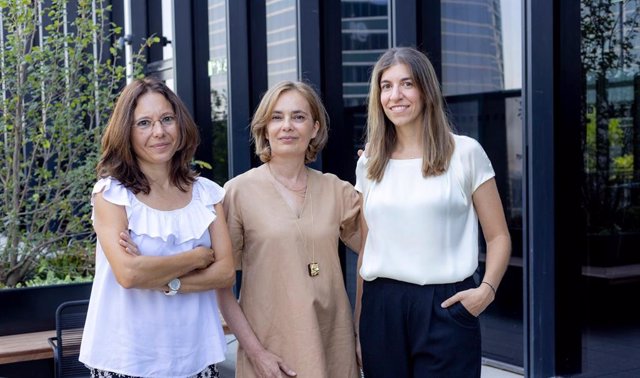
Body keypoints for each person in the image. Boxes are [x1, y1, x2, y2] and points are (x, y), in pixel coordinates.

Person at [354, 47, 512, 377]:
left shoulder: (465, 153)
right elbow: (368, 247)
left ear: (426, 89)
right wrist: (359, 324)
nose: (395, 95)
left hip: (446, 306)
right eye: (386, 86)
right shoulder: (370, 163)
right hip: (381, 307)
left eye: (406, 84)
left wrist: (487, 290)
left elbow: (497, 236)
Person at [79, 77, 235, 378]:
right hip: (126, 360)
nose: (159, 132)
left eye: (167, 119)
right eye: (144, 123)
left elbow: (225, 272)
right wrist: (196, 258)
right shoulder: (112, 194)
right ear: (127, 131)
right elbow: (129, 274)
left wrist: (166, 281)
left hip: (196, 357)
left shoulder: (207, 193)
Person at [217, 80, 362, 378]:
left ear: (315, 128)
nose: (287, 126)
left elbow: (378, 252)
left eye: (298, 117)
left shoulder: (338, 190)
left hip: (333, 344)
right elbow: (221, 285)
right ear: (265, 128)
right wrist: (256, 354)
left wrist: (378, 172)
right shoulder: (238, 192)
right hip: (271, 352)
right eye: (277, 117)